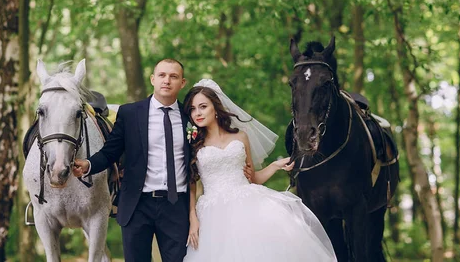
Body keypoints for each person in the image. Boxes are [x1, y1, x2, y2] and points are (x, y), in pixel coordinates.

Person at [72, 60, 252, 262]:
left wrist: (235, 167)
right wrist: (89, 164)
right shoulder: (130, 113)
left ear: (182, 83)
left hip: (176, 207)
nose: (167, 80)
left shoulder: (191, 118)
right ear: (153, 79)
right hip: (136, 205)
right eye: (162, 75)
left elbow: (207, 150)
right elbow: (110, 152)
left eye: (173, 76)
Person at [182, 79, 337, 262]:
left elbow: (253, 178)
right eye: (192, 109)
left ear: (215, 108)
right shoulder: (193, 144)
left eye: (202, 106)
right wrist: (193, 217)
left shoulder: (240, 136)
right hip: (213, 214)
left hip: (249, 205)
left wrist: (275, 166)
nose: (197, 113)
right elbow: (191, 183)